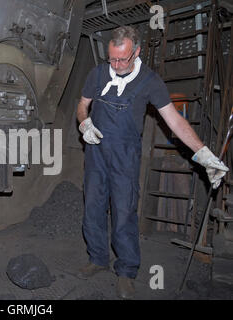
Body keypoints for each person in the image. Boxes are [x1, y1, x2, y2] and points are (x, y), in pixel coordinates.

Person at [76, 26, 229, 299]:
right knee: (93, 208)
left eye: (123, 59)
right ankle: (97, 259)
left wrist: (203, 154)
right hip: (96, 152)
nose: (117, 65)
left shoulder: (150, 81)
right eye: (112, 59)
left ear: (136, 52)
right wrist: (84, 122)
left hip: (125, 155)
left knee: (123, 213)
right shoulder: (98, 74)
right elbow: (82, 104)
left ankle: (126, 271)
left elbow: (175, 121)